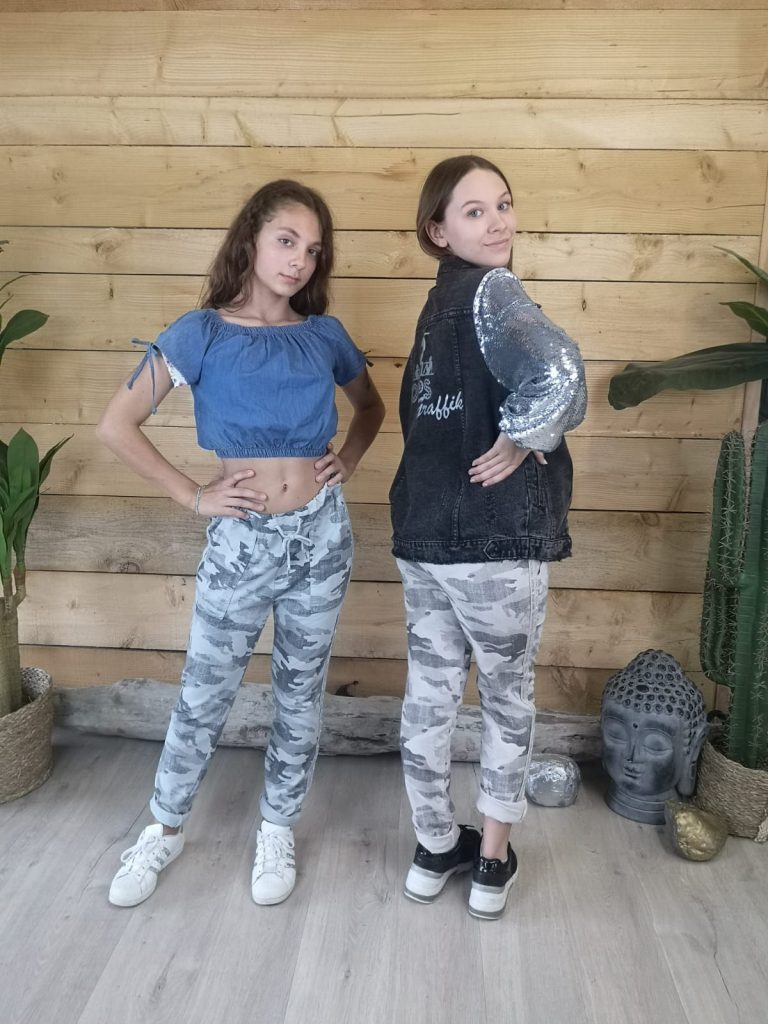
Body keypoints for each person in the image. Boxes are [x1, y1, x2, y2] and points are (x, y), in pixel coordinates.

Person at [98, 180, 385, 908]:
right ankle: (162, 830)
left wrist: (348, 460)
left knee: (300, 695)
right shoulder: (201, 333)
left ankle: (277, 827)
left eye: (312, 250)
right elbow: (116, 425)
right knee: (204, 692)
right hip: (241, 546)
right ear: (250, 239)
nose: (299, 261)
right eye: (286, 241)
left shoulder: (324, 335)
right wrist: (194, 496)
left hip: (322, 539)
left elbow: (371, 408)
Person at [389, 155, 586, 920]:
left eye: (503, 203)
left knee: (429, 698)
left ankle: (434, 849)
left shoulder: (435, 308)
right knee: (506, 701)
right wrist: (523, 434)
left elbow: (418, 417)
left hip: (422, 537)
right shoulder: (494, 291)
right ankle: (491, 866)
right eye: (474, 211)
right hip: (495, 544)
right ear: (437, 230)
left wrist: (516, 431)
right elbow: (560, 370)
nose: (498, 221)